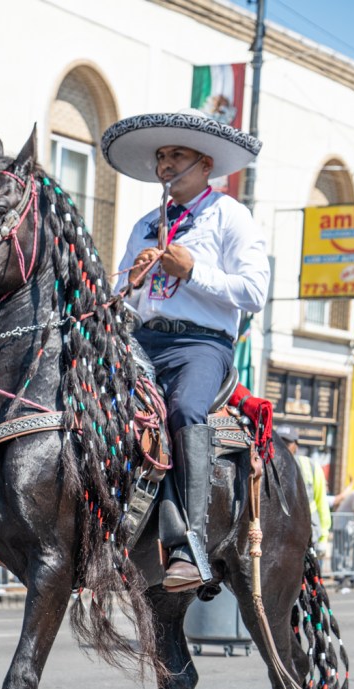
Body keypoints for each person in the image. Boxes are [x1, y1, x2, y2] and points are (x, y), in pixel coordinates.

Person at [101, 108, 270, 589]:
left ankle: (188, 546)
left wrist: (192, 271)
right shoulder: (143, 224)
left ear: (205, 164)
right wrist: (132, 284)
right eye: (161, 157)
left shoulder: (230, 215)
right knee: (93, 404)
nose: (166, 164)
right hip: (142, 339)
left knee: (183, 408)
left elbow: (254, 292)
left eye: (177, 155)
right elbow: (123, 302)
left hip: (201, 343)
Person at [276, 425, 331, 558]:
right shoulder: (267, 466)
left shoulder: (310, 466)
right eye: (278, 442)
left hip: (308, 536)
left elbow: (321, 503)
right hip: (278, 536)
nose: (282, 447)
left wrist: (323, 538)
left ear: (296, 445)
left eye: (287, 443)